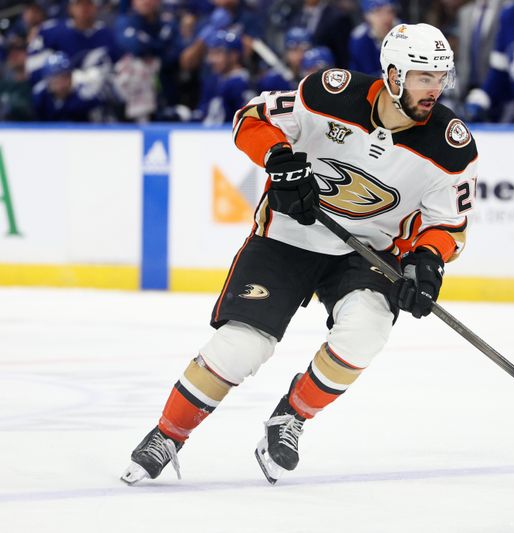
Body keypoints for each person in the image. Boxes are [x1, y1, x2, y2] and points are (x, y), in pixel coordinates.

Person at [121, 22, 478, 485]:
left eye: (440, 78)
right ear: (392, 74)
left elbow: (447, 224)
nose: (434, 89)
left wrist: (426, 262)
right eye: (422, 77)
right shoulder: (332, 94)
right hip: (290, 235)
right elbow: (251, 119)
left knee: (364, 333)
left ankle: (289, 418)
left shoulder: (451, 146)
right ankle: (168, 434)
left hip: (365, 253)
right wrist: (279, 162)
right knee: (242, 345)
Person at [195, 30, 252, 125]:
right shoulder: (214, 80)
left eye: (217, 53)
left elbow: (246, 123)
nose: (211, 59)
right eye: (211, 53)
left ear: (234, 55)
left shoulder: (240, 83)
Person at [349, 0, 399, 76]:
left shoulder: (404, 31)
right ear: (367, 16)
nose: (385, 17)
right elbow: (365, 74)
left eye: (390, 11)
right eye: (378, 12)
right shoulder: (360, 39)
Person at [255, 27, 312, 93]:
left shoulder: (311, 74)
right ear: (286, 51)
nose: (299, 55)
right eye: (294, 50)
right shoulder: (273, 80)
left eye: (303, 50)